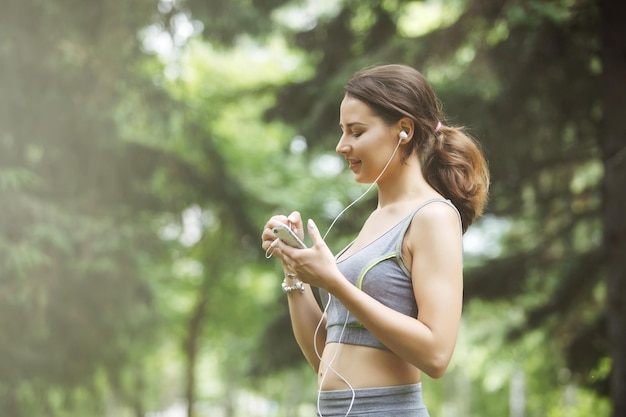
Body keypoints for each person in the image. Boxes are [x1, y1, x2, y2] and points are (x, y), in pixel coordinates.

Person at [261, 64, 489, 417]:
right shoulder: (374, 221)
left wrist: (334, 282)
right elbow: (323, 355)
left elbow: (437, 354)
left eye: (356, 131)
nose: (341, 146)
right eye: (342, 132)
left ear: (404, 131)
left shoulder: (433, 217)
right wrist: (295, 272)